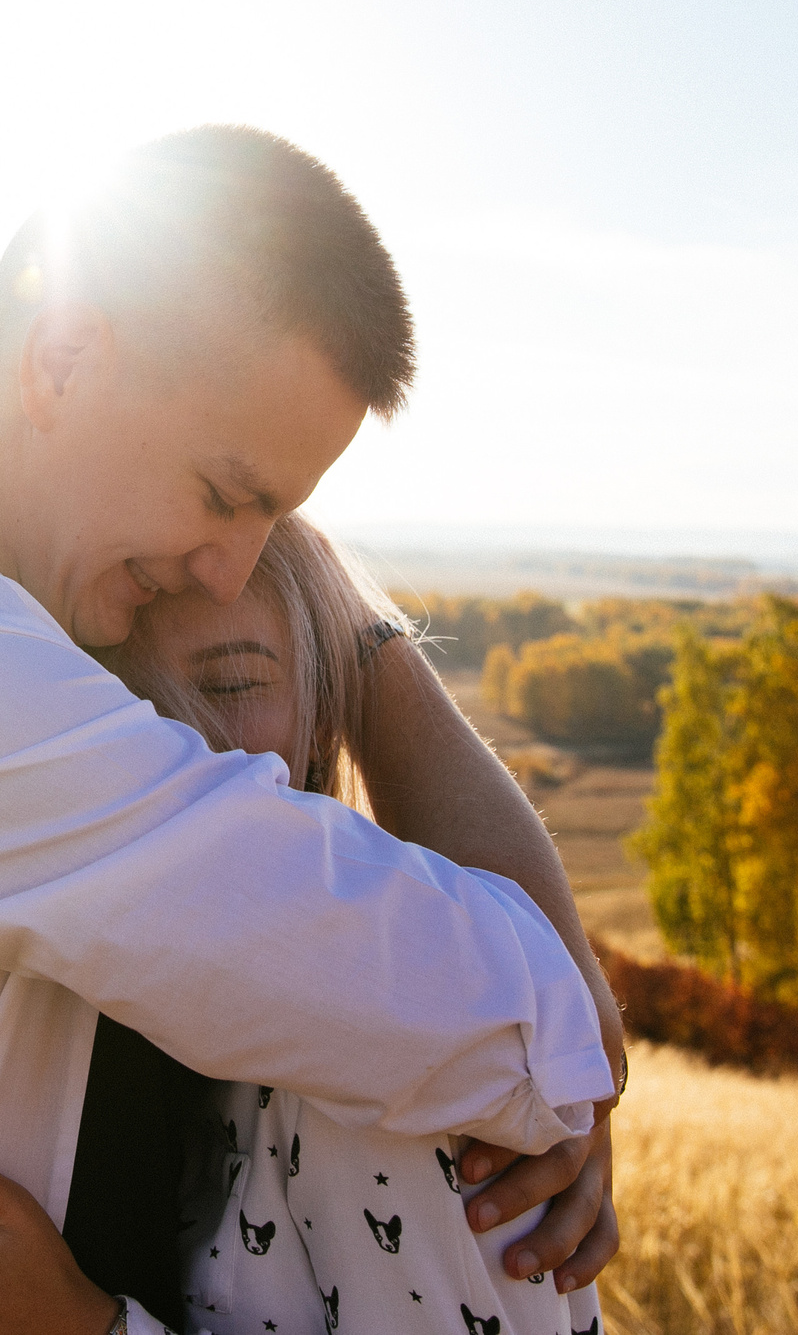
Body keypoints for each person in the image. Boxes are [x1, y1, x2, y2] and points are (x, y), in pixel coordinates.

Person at [0, 127, 626, 1335]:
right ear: (59, 361)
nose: (232, 572)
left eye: (277, 528)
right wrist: (363, 643)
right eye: (224, 495)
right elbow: (525, 1025)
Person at [107, 514, 612, 1335]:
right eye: (126, 701)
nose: (184, 736)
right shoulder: (110, 987)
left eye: (232, 685)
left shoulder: (389, 1040)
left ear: (322, 719)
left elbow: (573, 1042)